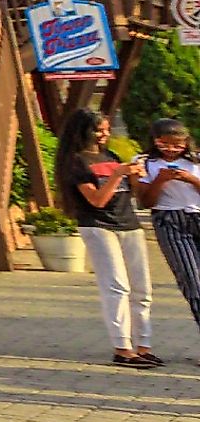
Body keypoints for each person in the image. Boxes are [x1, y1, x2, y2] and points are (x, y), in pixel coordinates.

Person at [58, 106, 156, 367]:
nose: (104, 134)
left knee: (142, 289)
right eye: (98, 129)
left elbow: (130, 194)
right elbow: (97, 200)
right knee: (117, 287)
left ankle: (143, 346)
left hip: (129, 224)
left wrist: (136, 177)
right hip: (99, 225)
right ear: (83, 131)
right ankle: (122, 348)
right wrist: (117, 174)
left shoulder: (110, 155)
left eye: (106, 129)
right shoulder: (76, 161)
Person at [134, 117, 200, 352]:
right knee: (193, 282)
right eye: (165, 144)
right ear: (154, 141)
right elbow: (144, 202)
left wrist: (191, 178)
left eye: (178, 145)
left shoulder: (196, 160)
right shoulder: (144, 162)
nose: (171, 150)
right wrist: (160, 181)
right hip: (169, 220)